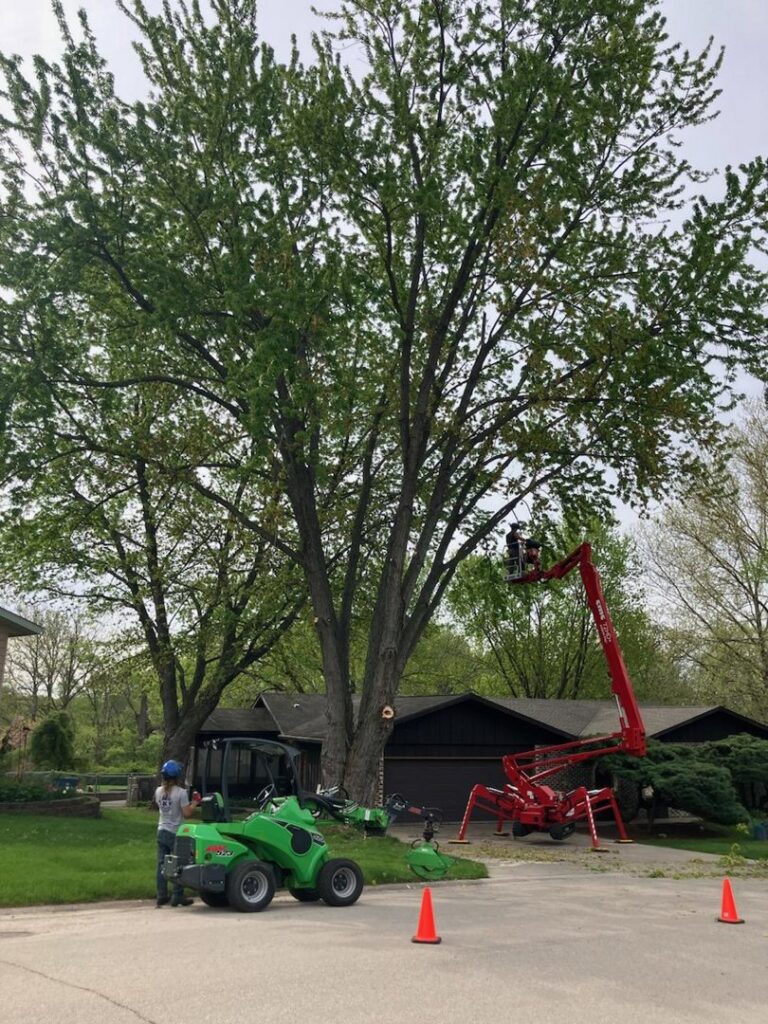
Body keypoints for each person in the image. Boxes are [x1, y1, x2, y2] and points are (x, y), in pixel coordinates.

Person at [154, 759, 200, 908]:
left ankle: (161, 895)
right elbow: (186, 813)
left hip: (161, 830)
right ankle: (177, 896)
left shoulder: (158, 791)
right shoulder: (180, 793)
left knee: (162, 864)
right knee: (179, 864)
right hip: (176, 833)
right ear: (177, 776)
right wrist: (195, 803)